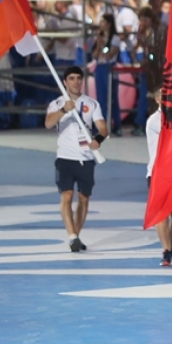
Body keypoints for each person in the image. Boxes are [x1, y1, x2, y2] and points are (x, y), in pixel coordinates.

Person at [45, 65, 108, 252]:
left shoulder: (92, 104)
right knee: (66, 196)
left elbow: (103, 128)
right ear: (65, 82)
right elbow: (48, 123)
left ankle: (76, 237)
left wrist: (98, 140)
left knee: (83, 199)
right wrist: (63, 110)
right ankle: (72, 236)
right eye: (71, 78)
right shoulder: (57, 104)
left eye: (79, 78)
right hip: (65, 157)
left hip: (86, 158)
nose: (76, 82)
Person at [145, 88, 172, 266]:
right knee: (162, 214)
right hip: (158, 174)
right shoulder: (154, 121)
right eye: (163, 96)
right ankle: (166, 250)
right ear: (157, 100)